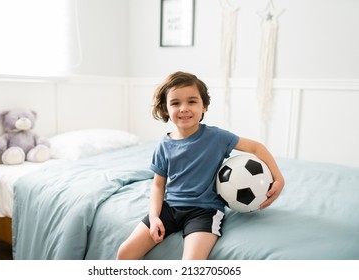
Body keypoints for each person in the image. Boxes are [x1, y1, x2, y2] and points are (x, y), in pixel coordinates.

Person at [116, 71, 285, 260]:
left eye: (192, 101)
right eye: (175, 103)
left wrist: (278, 178)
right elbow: (158, 185)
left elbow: (256, 147)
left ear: (204, 106)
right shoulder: (164, 145)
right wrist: (154, 217)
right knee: (125, 252)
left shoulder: (217, 137)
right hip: (170, 209)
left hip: (204, 212)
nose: (184, 108)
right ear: (165, 109)